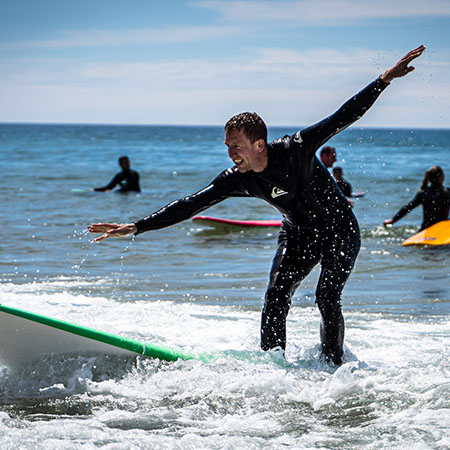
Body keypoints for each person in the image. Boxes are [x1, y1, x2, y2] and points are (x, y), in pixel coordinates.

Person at [88, 46, 425, 365]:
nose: (231, 154)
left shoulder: (296, 148)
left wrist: (384, 80)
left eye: (236, 146)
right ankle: (272, 369)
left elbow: (343, 116)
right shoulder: (238, 178)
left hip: (340, 229)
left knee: (326, 296)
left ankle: (334, 367)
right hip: (298, 234)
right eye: (227, 147)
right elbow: (191, 204)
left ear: (259, 144)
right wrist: (136, 226)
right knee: (276, 296)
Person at [383, 165, 449, 231]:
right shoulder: (446, 192)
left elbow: (408, 208)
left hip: (425, 228)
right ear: (442, 177)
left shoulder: (423, 193)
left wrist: (393, 220)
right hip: (442, 229)